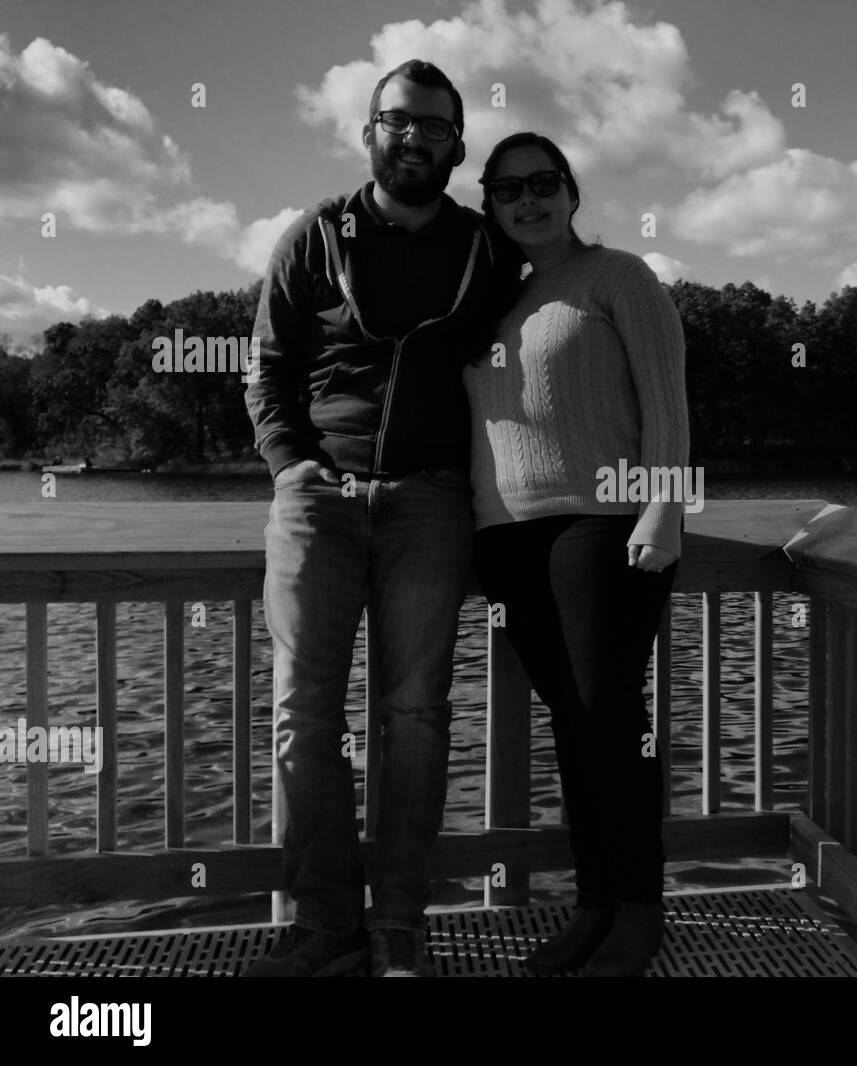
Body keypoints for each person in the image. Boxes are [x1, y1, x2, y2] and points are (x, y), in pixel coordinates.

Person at [242, 59, 516, 977]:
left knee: (416, 713)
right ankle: (325, 926)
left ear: (456, 146)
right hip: (318, 503)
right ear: (369, 132)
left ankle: (399, 918)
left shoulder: (487, 249)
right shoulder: (315, 236)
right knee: (301, 718)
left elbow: (546, 336)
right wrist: (294, 469)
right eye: (399, 121)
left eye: (435, 127)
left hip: (431, 503)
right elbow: (268, 371)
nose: (415, 139)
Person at [464, 132, 691, 977]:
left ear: (572, 190)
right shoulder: (496, 300)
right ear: (489, 204)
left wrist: (664, 508)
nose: (528, 199)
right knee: (574, 727)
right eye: (508, 188)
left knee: (609, 719)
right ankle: (593, 906)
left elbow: (666, 402)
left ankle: (638, 914)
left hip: (603, 521)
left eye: (543, 182)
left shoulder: (620, 277)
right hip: (506, 539)